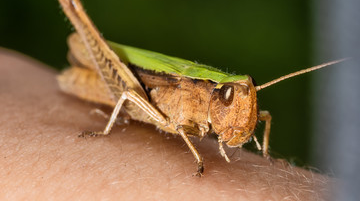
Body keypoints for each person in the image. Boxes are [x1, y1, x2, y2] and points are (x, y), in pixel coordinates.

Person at [0, 50, 331, 200]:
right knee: (131, 96)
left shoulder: (224, 99)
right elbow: (129, 97)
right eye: (231, 96)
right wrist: (199, 160)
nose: (243, 111)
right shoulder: (191, 92)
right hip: (117, 83)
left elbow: (264, 118)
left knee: (266, 115)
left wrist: (266, 156)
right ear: (216, 90)